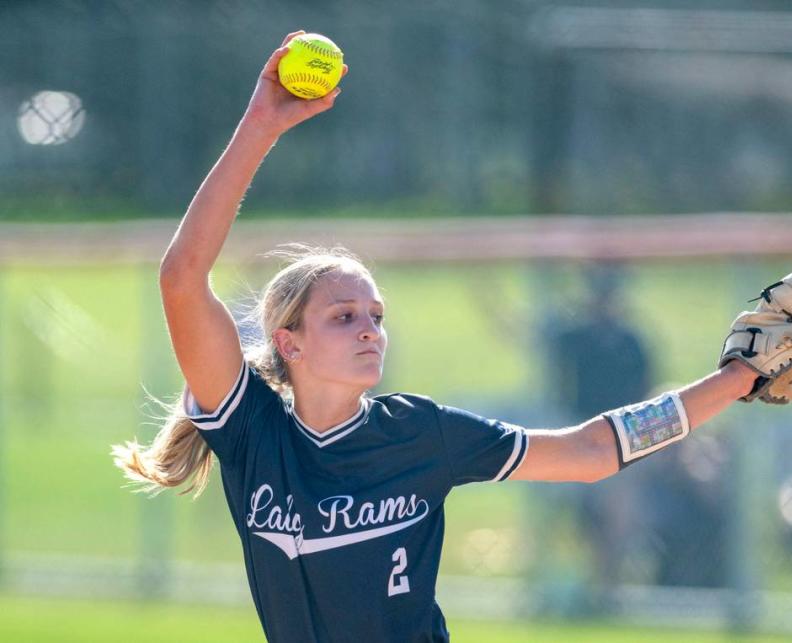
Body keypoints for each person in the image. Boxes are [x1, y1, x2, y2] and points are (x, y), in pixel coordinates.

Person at [112, 31, 759, 643]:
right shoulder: (256, 435)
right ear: (290, 342)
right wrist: (262, 125)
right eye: (344, 316)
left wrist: (734, 381)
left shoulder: (419, 434)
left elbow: (589, 451)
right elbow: (182, 278)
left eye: (376, 314)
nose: (369, 328)